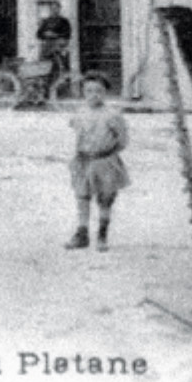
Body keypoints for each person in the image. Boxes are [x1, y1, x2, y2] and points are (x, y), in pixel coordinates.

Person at [65, 73, 129, 251]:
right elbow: (77, 133)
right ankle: (82, 233)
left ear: (106, 93)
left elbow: (123, 141)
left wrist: (107, 154)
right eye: (89, 91)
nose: (94, 95)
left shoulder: (112, 115)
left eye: (99, 91)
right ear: (83, 93)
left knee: (105, 198)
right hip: (84, 160)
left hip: (105, 162)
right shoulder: (80, 112)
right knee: (82, 196)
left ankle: (102, 235)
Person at [36, 4, 73, 78]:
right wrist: (46, 34)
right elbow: (38, 34)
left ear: (59, 9)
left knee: (60, 67)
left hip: (59, 48)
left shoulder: (64, 21)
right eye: (53, 9)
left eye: (56, 8)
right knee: (45, 67)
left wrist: (55, 35)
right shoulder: (46, 21)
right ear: (50, 10)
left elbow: (67, 34)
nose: (54, 10)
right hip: (46, 48)